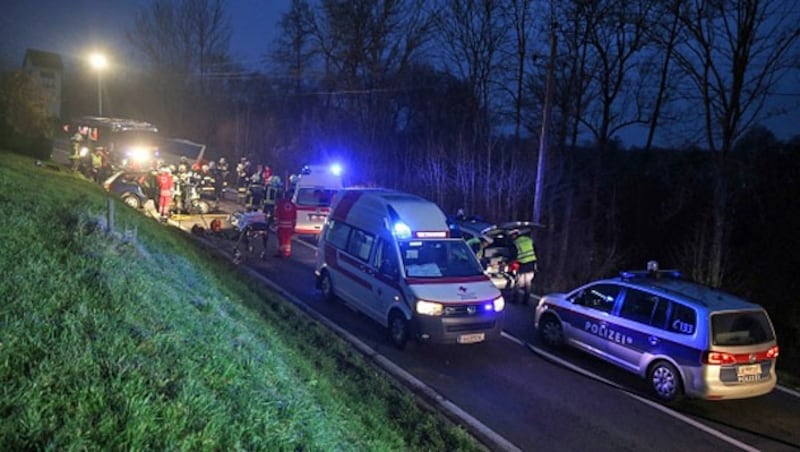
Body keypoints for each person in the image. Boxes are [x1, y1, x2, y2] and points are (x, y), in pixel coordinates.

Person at [509, 229, 537, 304]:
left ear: (514, 235)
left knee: (518, 283)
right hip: (531, 264)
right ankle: (525, 301)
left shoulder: (516, 243)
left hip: (522, 265)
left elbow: (513, 255)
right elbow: (535, 250)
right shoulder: (529, 240)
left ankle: (515, 300)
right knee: (528, 283)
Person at [274, 192, 297, 257]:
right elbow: (294, 217)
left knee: (281, 239)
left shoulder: (280, 204)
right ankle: (287, 252)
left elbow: (277, 215)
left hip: (281, 225)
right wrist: (293, 227)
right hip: (289, 226)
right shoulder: (293, 206)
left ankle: (280, 252)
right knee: (287, 240)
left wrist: (276, 224)